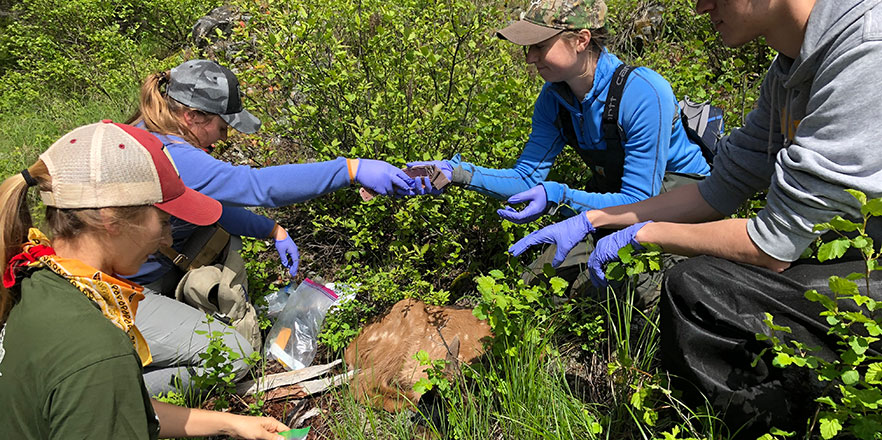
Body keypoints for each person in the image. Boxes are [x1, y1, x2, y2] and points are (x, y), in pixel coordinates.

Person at [509, 0, 882, 435]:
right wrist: (596, 219)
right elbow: (717, 190)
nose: (702, 6)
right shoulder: (788, 70)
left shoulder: (864, 51)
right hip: (856, 254)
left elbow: (773, 244)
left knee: (697, 289)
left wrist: (643, 233)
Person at [124, 59, 417, 395]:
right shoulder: (173, 154)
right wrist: (349, 170)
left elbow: (210, 208)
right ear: (192, 116)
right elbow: (257, 186)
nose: (224, 137)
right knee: (233, 355)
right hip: (118, 293)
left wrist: (272, 230)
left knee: (222, 237)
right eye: (222, 126)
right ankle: (120, 392)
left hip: (135, 274)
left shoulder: (146, 131)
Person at [0, 121, 290, 439]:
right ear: (111, 218)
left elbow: (117, 406)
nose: (166, 238)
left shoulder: (32, 276)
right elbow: (104, 391)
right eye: (164, 221)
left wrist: (231, 422)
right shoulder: (99, 351)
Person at [409, 0, 711, 300]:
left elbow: (638, 201)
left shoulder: (642, 92)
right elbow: (526, 178)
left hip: (675, 205)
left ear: (581, 40)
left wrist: (560, 196)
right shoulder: (554, 99)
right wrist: (457, 173)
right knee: (535, 287)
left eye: (539, 45)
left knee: (626, 294)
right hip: (613, 201)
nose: (529, 57)